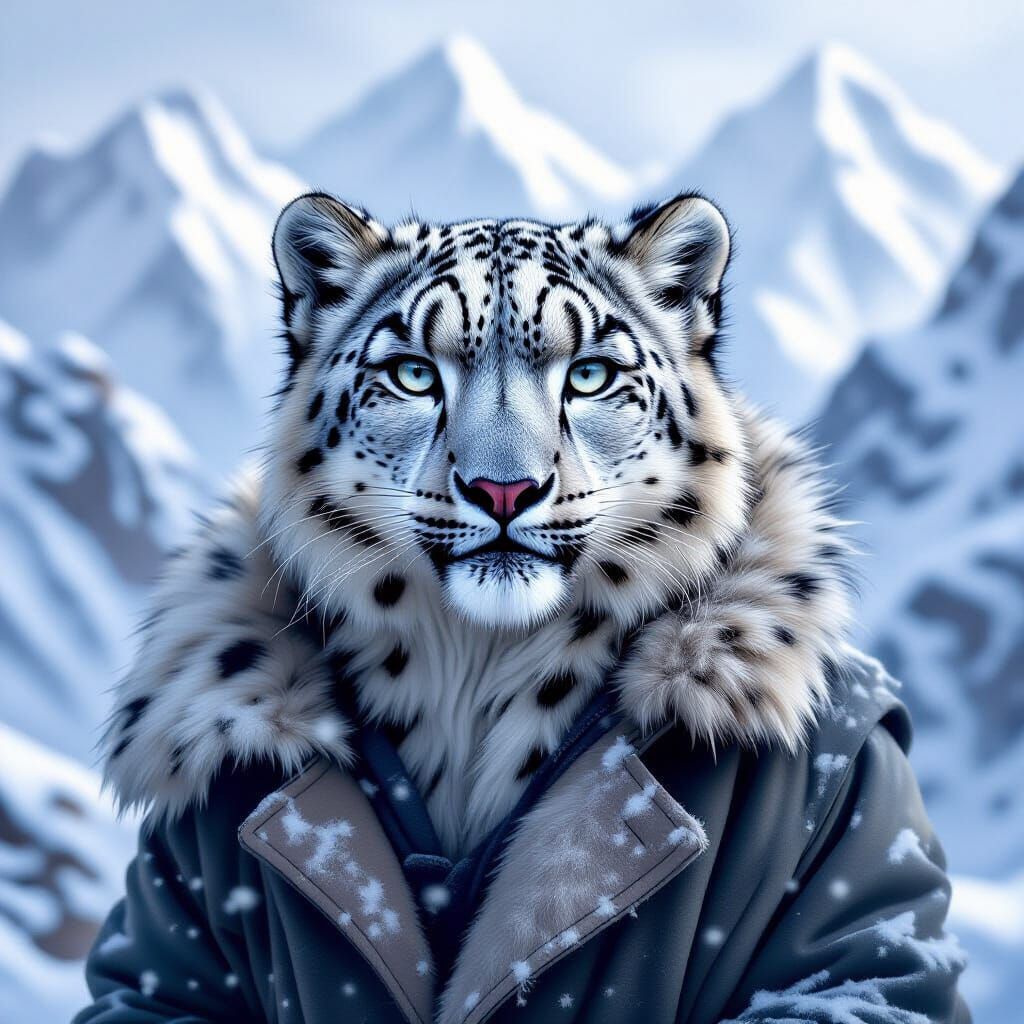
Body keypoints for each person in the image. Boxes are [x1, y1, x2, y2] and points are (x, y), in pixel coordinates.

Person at [76, 192, 969, 1023]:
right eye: (415, 379)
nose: (505, 473)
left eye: (588, 380)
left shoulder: (822, 753)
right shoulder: (228, 748)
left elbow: (884, 1001)